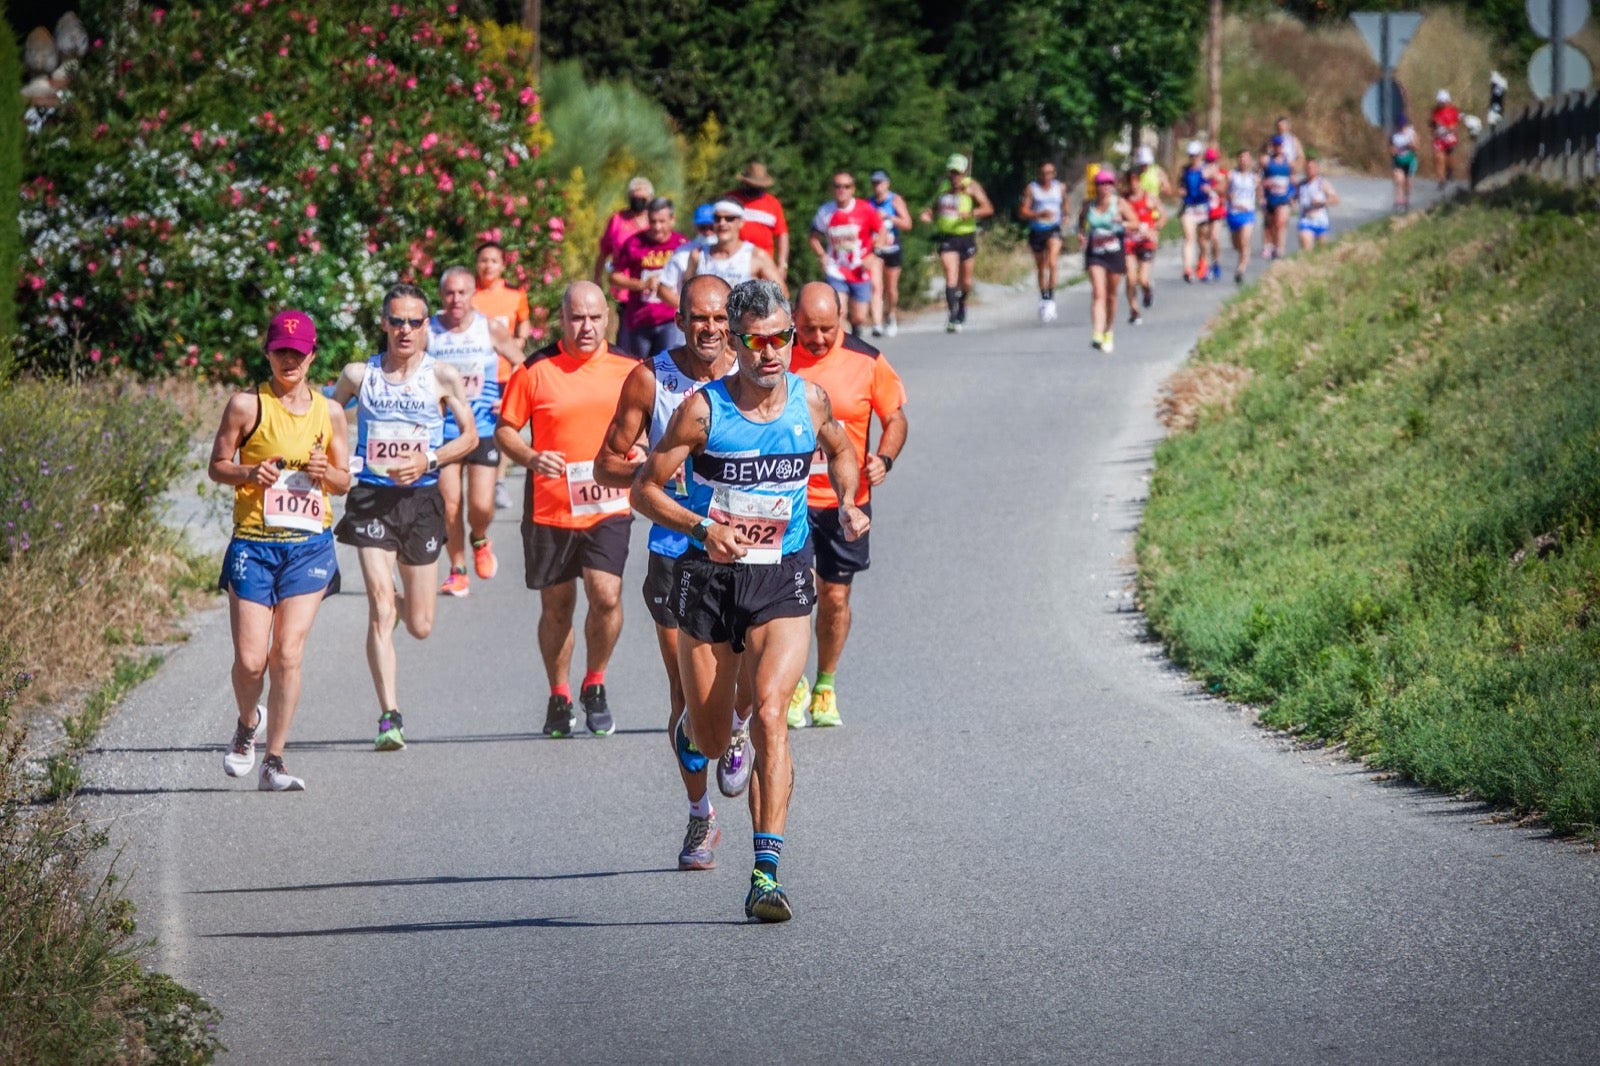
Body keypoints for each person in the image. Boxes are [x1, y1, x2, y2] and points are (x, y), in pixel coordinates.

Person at [631, 278, 869, 923]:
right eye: (758, 341)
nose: (772, 353)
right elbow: (643, 491)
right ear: (735, 343)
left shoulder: (810, 402)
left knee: (770, 713)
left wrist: (847, 502)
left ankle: (766, 874)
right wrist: (701, 526)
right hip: (708, 577)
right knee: (708, 740)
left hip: (781, 573)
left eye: (782, 339)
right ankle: (703, 727)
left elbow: (844, 450)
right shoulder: (703, 412)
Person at [594, 274, 738, 870]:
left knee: (745, 683)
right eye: (696, 318)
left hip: (747, 550)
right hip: (676, 549)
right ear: (679, 320)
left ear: (732, 320)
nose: (707, 329)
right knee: (685, 694)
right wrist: (653, 478)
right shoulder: (652, 379)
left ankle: (735, 727)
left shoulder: (754, 371)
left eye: (718, 318)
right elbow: (606, 463)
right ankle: (701, 818)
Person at [331, 284, 478, 751]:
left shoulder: (443, 377)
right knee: (378, 602)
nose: (406, 330)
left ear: (426, 324)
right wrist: (338, 460)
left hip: (421, 501)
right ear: (384, 324)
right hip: (372, 499)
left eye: (415, 321)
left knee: (419, 625)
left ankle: (400, 608)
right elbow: (331, 413)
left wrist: (431, 460)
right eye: (397, 321)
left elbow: (470, 437)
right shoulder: (360, 374)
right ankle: (389, 716)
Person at [209, 310, 350, 791]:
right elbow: (217, 466)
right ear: (268, 353)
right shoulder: (247, 406)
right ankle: (249, 723)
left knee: (286, 653)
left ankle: (275, 760)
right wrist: (250, 473)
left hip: (308, 547)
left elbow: (345, 481)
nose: (289, 359)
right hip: (254, 544)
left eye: (298, 351)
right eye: (280, 351)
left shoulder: (329, 412)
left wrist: (323, 474)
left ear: (312, 355)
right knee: (251, 661)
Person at [495, 281, 637, 738]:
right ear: (563, 318)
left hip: (609, 502)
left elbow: (656, 424)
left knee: (606, 594)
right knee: (557, 607)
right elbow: (506, 431)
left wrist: (645, 449)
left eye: (596, 318)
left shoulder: (630, 369)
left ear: (607, 318)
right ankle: (559, 694)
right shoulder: (536, 369)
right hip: (552, 506)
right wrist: (531, 457)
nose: (587, 327)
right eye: (578, 318)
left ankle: (595, 681)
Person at [787, 282, 907, 729]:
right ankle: (792, 683)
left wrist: (885, 459)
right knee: (792, 599)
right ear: (793, 319)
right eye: (807, 329)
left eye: (827, 329)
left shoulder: (867, 361)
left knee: (834, 597)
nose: (816, 339)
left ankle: (824, 686)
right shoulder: (778, 356)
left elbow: (894, 418)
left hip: (845, 503)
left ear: (841, 319)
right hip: (786, 502)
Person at [429, 266, 526, 598]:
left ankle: (480, 538)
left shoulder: (488, 328)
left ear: (473, 294)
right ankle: (458, 570)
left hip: (483, 425)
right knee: (449, 503)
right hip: (444, 430)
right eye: (449, 293)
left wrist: (509, 400)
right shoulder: (429, 330)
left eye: (462, 293)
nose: (455, 299)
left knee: (481, 506)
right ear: (442, 296)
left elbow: (520, 363)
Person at [471, 241, 531, 513]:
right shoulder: (469, 296)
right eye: (483, 260)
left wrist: (514, 346)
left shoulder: (515, 296)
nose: (488, 265)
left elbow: (524, 327)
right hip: (475, 375)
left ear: (502, 265)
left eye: (493, 260)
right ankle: (474, 478)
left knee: (504, 425)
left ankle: (499, 481)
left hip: (506, 373)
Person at [919, 152, 993, 333]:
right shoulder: (943, 187)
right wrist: (928, 214)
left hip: (965, 235)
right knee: (950, 274)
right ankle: (952, 316)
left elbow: (988, 208)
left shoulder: (972, 187)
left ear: (965, 173)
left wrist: (970, 214)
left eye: (958, 173)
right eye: (952, 172)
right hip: (947, 236)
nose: (954, 177)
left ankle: (962, 304)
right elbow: (934, 206)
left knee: (966, 280)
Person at [610, 197, 689, 360]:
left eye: (662, 221)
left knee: (668, 368)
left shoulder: (682, 245)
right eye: (653, 222)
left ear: (672, 220)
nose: (657, 227)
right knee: (637, 367)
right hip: (640, 319)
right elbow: (614, 277)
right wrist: (642, 284)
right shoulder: (634, 243)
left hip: (671, 320)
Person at [808, 171, 883, 338]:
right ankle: (845, 344)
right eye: (838, 186)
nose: (842, 190)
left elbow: (881, 231)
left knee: (859, 316)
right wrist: (822, 255)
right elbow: (813, 237)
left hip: (859, 269)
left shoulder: (865, 209)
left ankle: (856, 332)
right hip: (836, 269)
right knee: (839, 310)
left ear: (853, 189)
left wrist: (873, 254)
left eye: (846, 186)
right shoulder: (825, 212)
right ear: (832, 189)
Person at [1076, 168, 1142, 353]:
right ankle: (1097, 333)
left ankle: (1108, 331)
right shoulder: (1088, 205)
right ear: (1096, 186)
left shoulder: (1119, 204)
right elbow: (1081, 222)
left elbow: (1136, 223)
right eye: (1101, 183)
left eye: (1108, 183)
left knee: (1111, 296)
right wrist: (1081, 234)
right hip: (1095, 253)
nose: (1104, 187)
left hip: (1114, 252)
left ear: (1113, 186)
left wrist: (1123, 224)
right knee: (1098, 292)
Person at [596, 175, 655, 351]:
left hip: (650, 289)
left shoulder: (655, 222)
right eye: (635, 197)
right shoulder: (618, 220)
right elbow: (604, 251)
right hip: (625, 288)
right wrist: (597, 279)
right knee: (626, 335)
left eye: (642, 198)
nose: (638, 201)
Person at [683, 200, 786, 293]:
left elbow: (782, 294)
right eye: (717, 218)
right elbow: (686, 293)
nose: (722, 223)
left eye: (729, 218)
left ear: (741, 223)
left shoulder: (757, 255)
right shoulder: (698, 255)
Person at [1020, 161, 1067, 323]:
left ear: (1054, 174)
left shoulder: (1060, 187)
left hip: (1053, 229)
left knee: (1053, 262)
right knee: (1041, 267)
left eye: (1049, 173)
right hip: (1037, 230)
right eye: (1043, 173)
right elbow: (1023, 210)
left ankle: (1051, 298)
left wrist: (1065, 215)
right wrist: (1038, 214)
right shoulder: (1032, 188)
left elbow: (1065, 203)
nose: (1046, 176)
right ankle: (1044, 297)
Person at [867, 170, 912, 338]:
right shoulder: (868, 203)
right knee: (875, 286)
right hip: (876, 250)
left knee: (891, 289)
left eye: (880, 182)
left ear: (887, 183)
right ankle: (877, 324)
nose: (877, 186)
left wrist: (889, 217)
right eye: (874, 183)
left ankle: (890, 315)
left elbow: (907, 224)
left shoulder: (894, 200)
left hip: (892, 248)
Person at [726, 161, 790, 280]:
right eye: (752, 185)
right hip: (735, 262)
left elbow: (782, 235)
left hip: (764, 263)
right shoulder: (732, 200)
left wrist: (782, 265)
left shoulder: (773, 204)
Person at [656, 203, 717, 311]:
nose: (707, 232)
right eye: (703, 227)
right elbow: (663, 290)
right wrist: (690, 310)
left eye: (711, 227)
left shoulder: (732, 251)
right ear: (695, 227)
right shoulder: (682, 253)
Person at [1123, 166, 1163, 322]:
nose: (1133, 184)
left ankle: (1147, 290)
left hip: (1146, 242)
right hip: (1129, 242)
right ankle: (1134, 310)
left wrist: (1154, 229)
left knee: (1143, 279)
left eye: (1136, 180)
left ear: (1140, 181)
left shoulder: (1150, 198)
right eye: (1130, 181)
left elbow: (1163, 216)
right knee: (1131, 278)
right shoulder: (1123, 200)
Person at [1179, 140, 1212, 284]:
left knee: (1202, 240)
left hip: (1203, 208)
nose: (1193, 158)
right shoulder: (1184, 170)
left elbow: (1221, 185)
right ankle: (1187, 268)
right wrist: (1181, 191)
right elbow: (1180, 185)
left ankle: (1203, 261)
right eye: (1191, 155)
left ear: (1200, 155)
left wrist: (1210, 189)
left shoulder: (1208, 169)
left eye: (1196, 155)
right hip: (1189, 207)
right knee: (1189, 238)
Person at [1225, 149, 1260, 285]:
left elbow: (1260, 193)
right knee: (1236, 244)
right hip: (1233, 214)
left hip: (1248, 213)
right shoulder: (1231, 175)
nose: (1243, 161)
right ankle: (1243, 257)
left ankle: (1241, 269)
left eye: (1246, 158)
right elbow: (1224, 191)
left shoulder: (1254, 178)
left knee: (1245, 241)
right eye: (1241, 158)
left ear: (1250, 160)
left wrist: (1262, 201)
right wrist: (1229, 197)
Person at [1260, 136, 1295, 262]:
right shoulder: (1266, 161)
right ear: (1272, 146)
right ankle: (1270, 245)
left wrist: (1293, 194)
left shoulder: (1288, 162)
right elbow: (1259, 178)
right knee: (1270, 224)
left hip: (1283, 197)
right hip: (1270, 197)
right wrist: (1263, 189)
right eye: (1275, 145)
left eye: (1280, 145)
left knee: (1280, 222)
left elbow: (1292, 179)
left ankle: (1280, 248)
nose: (1278, 148)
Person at [1295, 155, 1338, 251]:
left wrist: (1322, 202)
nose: (1310, 170)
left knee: (1323, 253)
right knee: (1307, 250)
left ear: (1317, 169)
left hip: (1321, 222)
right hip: (1305, 221)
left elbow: (1335, 199)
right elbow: (1293, 197)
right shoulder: (1301, 184)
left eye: (1312, 168)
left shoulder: (1323, 183)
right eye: (1308, 168)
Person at [1202, 146, 1227, 281]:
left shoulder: (1221, 173)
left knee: (1214, 237)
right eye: (1208, 161)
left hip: (1217, 210)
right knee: (1204, 240)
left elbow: (1224, 188)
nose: (1211, 163)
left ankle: (1216, 262)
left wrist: (1211, 186)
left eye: (1213, 161)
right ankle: (1204, 266)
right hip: (1203, 210)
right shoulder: (1202, 172)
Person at [1431, 89, 1461, 187]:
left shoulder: (1452, 111)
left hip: (1449, 138)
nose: (1442, 103)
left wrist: (1448, 127)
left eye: (1443, 101)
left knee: (1449, 158)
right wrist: (1434, 129)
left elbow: (1456, 124)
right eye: (1440, 101)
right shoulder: (1435, 111)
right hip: (1439, 138)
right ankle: (1441, 179)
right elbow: (1432, 123)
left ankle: (1450, 171)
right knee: (1439, 158)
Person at [1390, 115, 1419, 213]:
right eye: (1400, 126)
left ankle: (1406, 199)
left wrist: (1411, 145)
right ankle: (1398, 201)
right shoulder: (1393, 134)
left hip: (1410, 161)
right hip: (1398, 161)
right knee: (1399, 181)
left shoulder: (1411, 133)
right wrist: (1394, 151)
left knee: (1408, 182)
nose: (1402, 128)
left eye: (1404, 125)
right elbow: (1391, 150)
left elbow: (1416, 147)